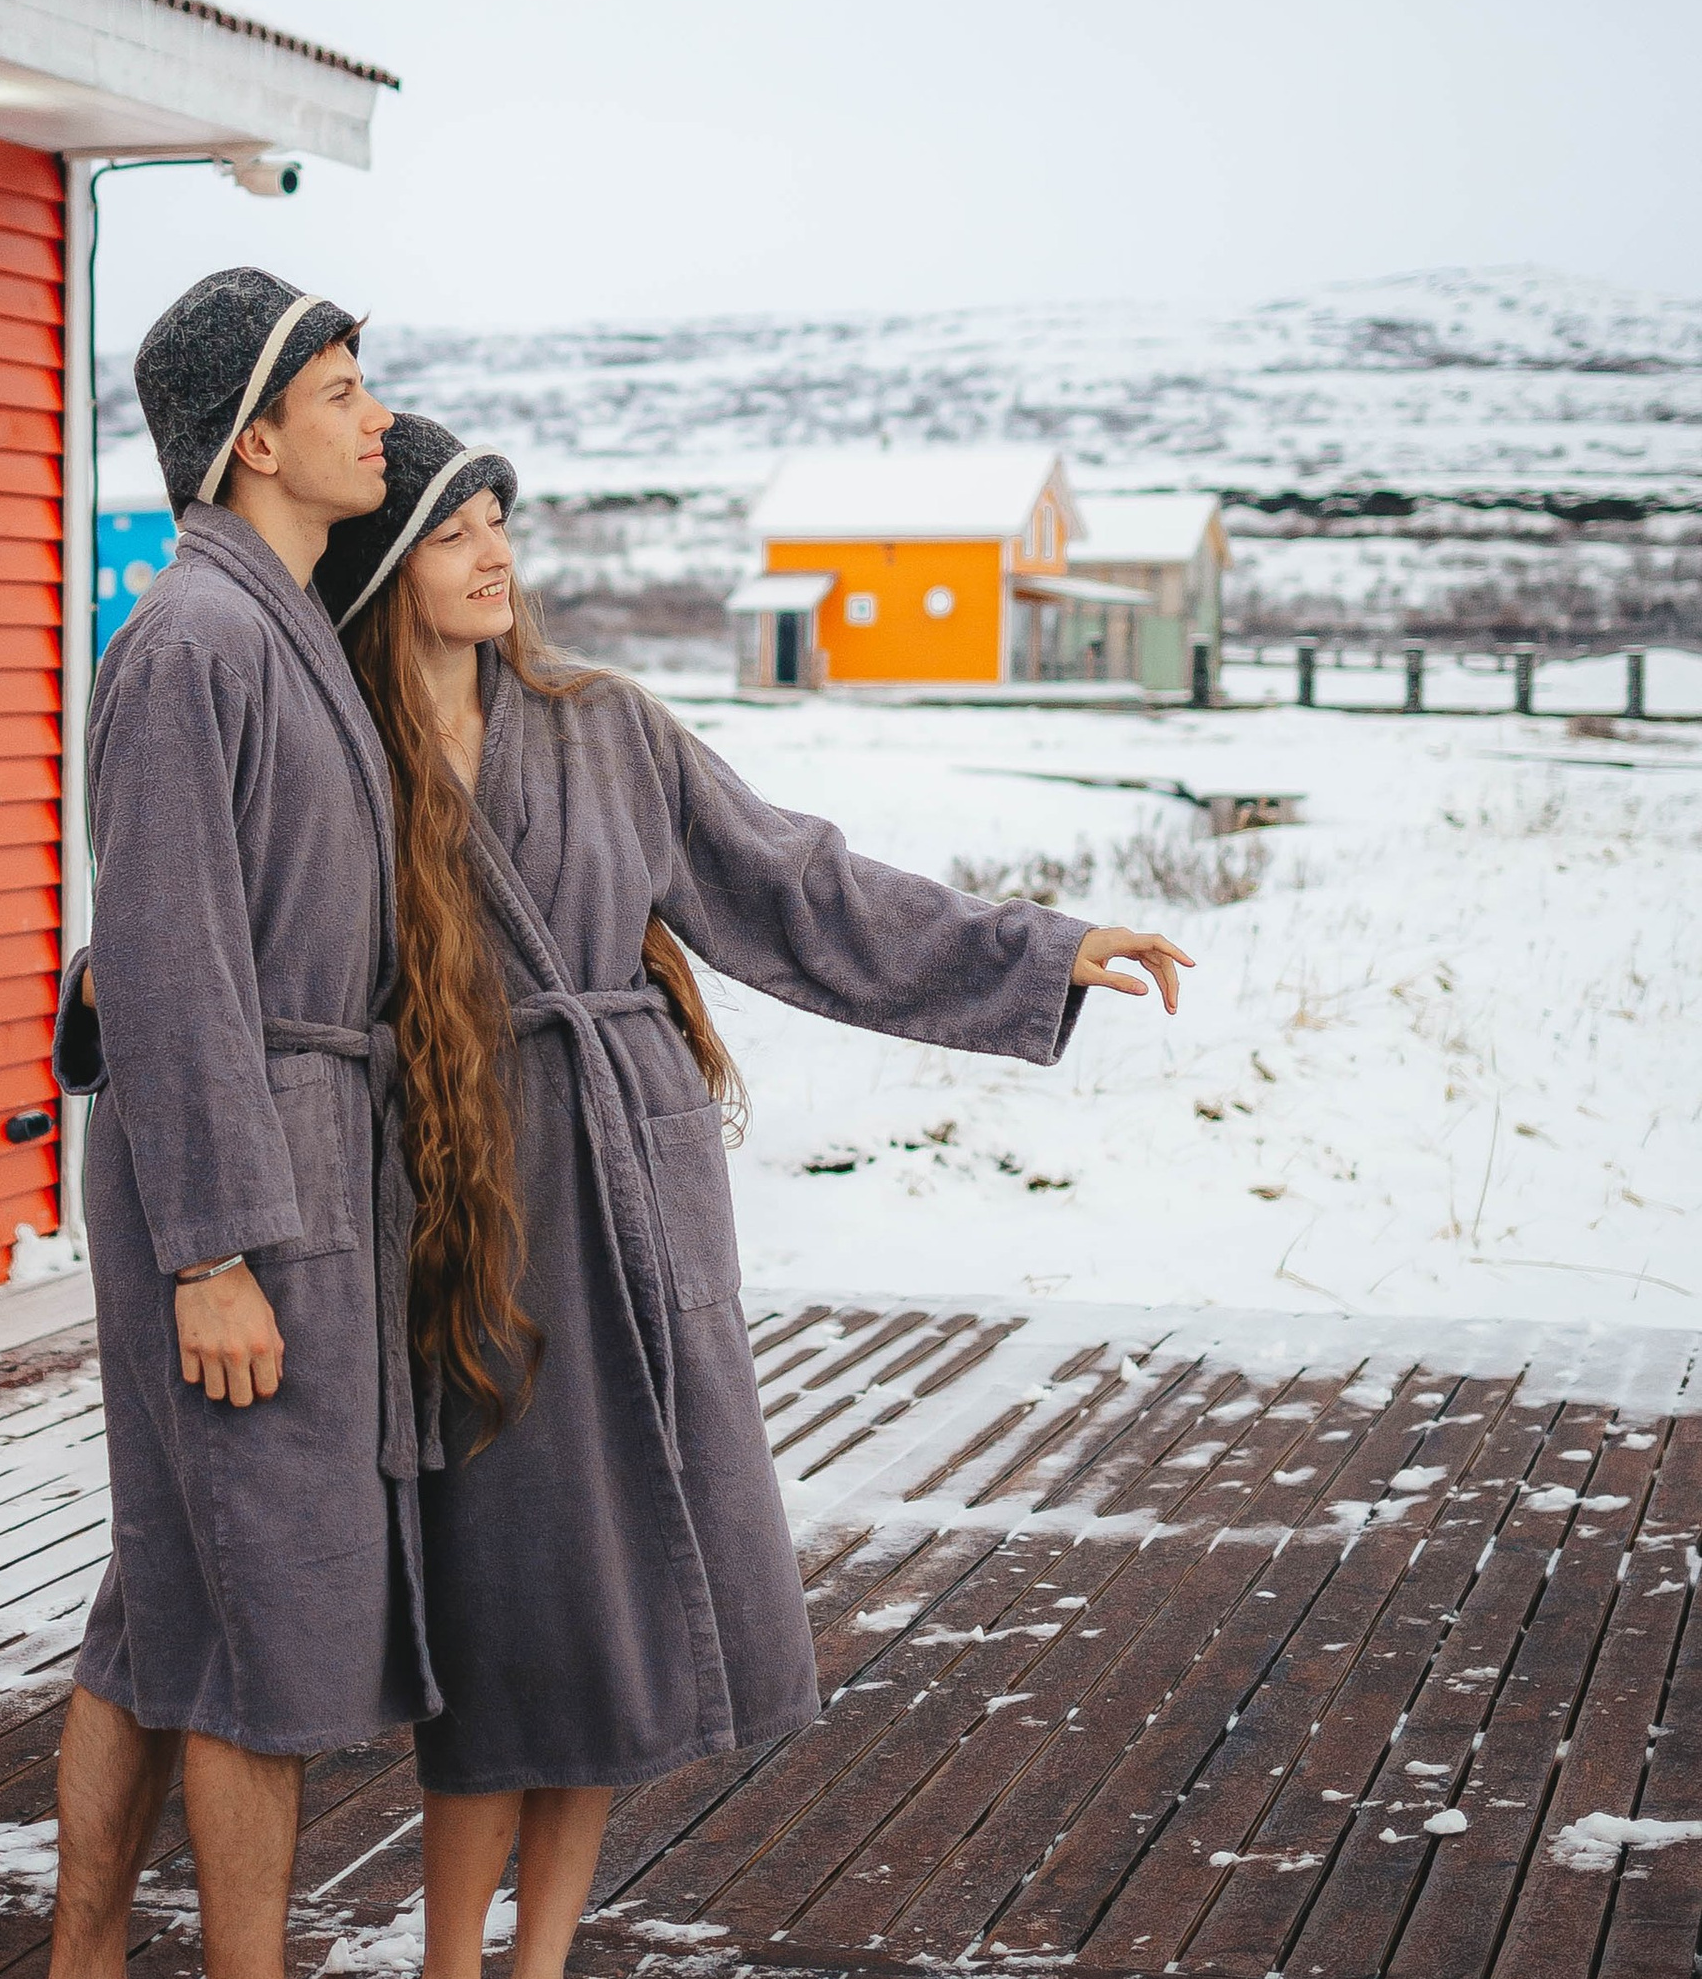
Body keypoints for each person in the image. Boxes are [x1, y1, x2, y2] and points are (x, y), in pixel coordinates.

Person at [313, 416, 1192, 1979]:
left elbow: (802, 889)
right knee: (506, 1609)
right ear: (388, 562)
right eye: (455, 530)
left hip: (625, 1190)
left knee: (614, 1607)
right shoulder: (341, 762)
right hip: (463, 1205)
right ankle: (453, 1967)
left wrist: (1041, 946)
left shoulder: (608, 728)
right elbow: (260, 959)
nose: (498, 553)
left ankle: (539, 1963)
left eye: (504, 519)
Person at [48, 272, 439, 1979]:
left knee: (172, 1603)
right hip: (232, 1189)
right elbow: (166, 959)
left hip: (294, 1155)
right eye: (344, 390)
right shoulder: (193, 644)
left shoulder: (274, 630)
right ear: (252, 437)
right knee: (258, 1615)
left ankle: (82, 1958)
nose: (377, 419)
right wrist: (211, 1251)